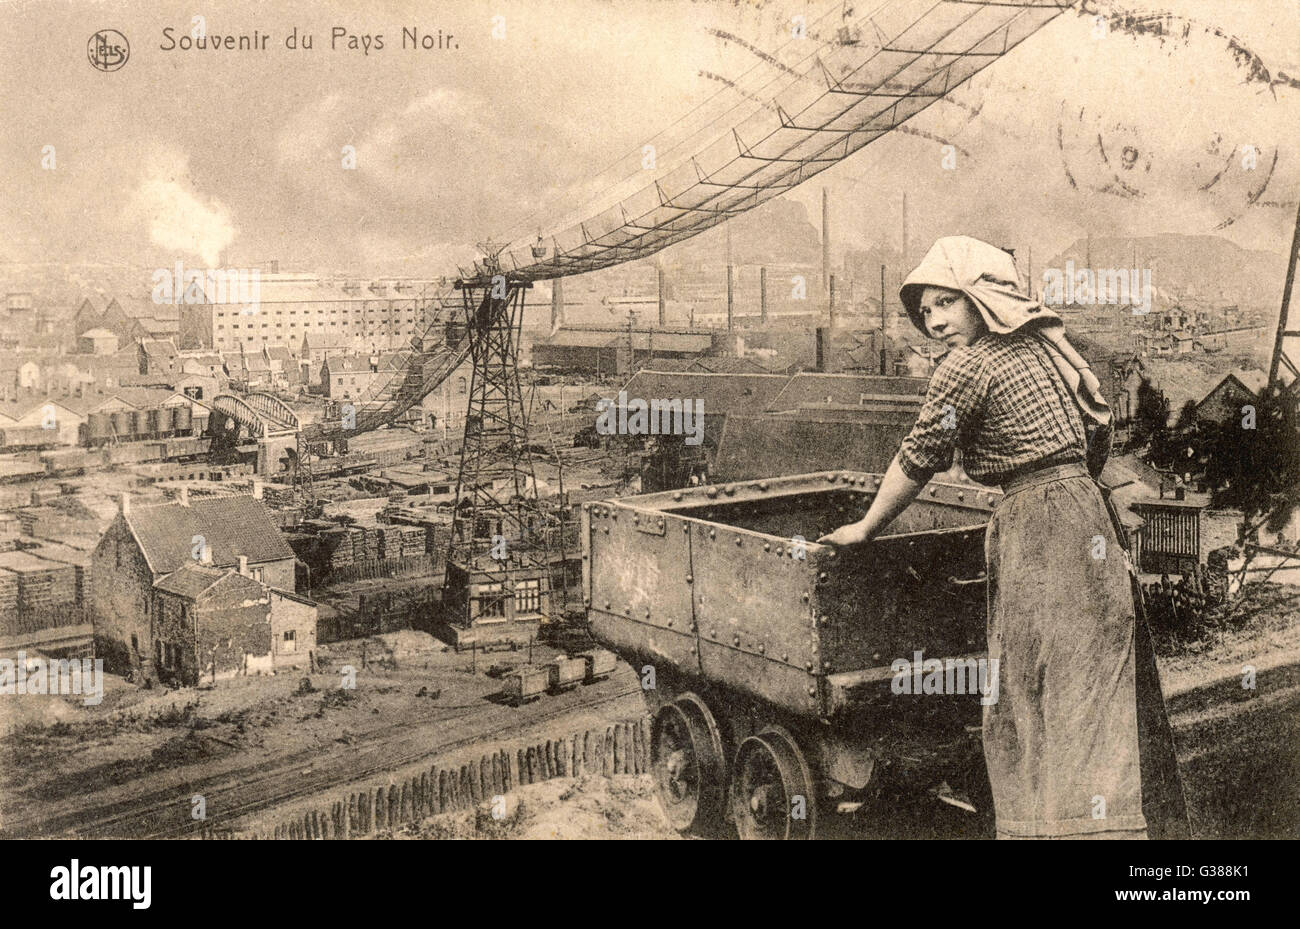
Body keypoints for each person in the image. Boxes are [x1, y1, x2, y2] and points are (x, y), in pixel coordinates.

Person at [819, 236, 1187, 839]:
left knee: (1032, 685)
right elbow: (1095, 435)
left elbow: (918, 458)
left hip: (1038, 527)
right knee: (1093, 680)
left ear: (979, 300)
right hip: (1085, 515)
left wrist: (865, 526)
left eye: (946, 304)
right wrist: (1071, 489)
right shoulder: (1044, 348)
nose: (934, 321)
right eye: (925, 310)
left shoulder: (966, 367)